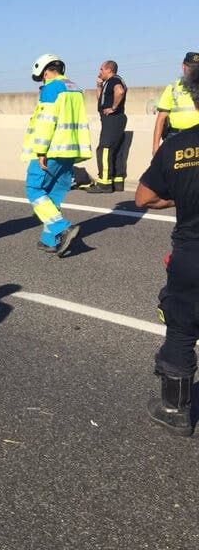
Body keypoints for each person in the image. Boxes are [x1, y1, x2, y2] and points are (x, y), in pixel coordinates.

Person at [135, 62, 199, 436]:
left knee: (180, 329)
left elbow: (143, 197)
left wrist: (177, 199)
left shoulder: (178, 147)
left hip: (192, 254)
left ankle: (175, 410)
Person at [22, 54, 92, 256]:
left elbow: (46, 121)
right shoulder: (75, 88)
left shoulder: (51, 88)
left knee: (34, 189)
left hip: (52, 149)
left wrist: (41, 151)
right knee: (52, 195)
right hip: (70, 151)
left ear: (45, 72)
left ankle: (62, 228)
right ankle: (49, 240)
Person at [88, 60, 127, 193]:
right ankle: (117, 182)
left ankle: (104, 183)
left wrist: (114, 108)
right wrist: (99, 86)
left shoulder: (114, 81)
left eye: (101, 69)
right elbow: (101, 100)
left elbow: (120, 92)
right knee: (115, 149)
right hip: (113, 120)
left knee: (104, 149)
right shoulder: (108, 83)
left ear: (109, 70)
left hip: (113, 119)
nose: (100, 72)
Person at [152, 52, 199, 156]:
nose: (194, 71)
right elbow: (161, 119)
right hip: (175, 137)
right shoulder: (172, 88)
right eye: (191, 67)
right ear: (183, 66)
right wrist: (155, 147)